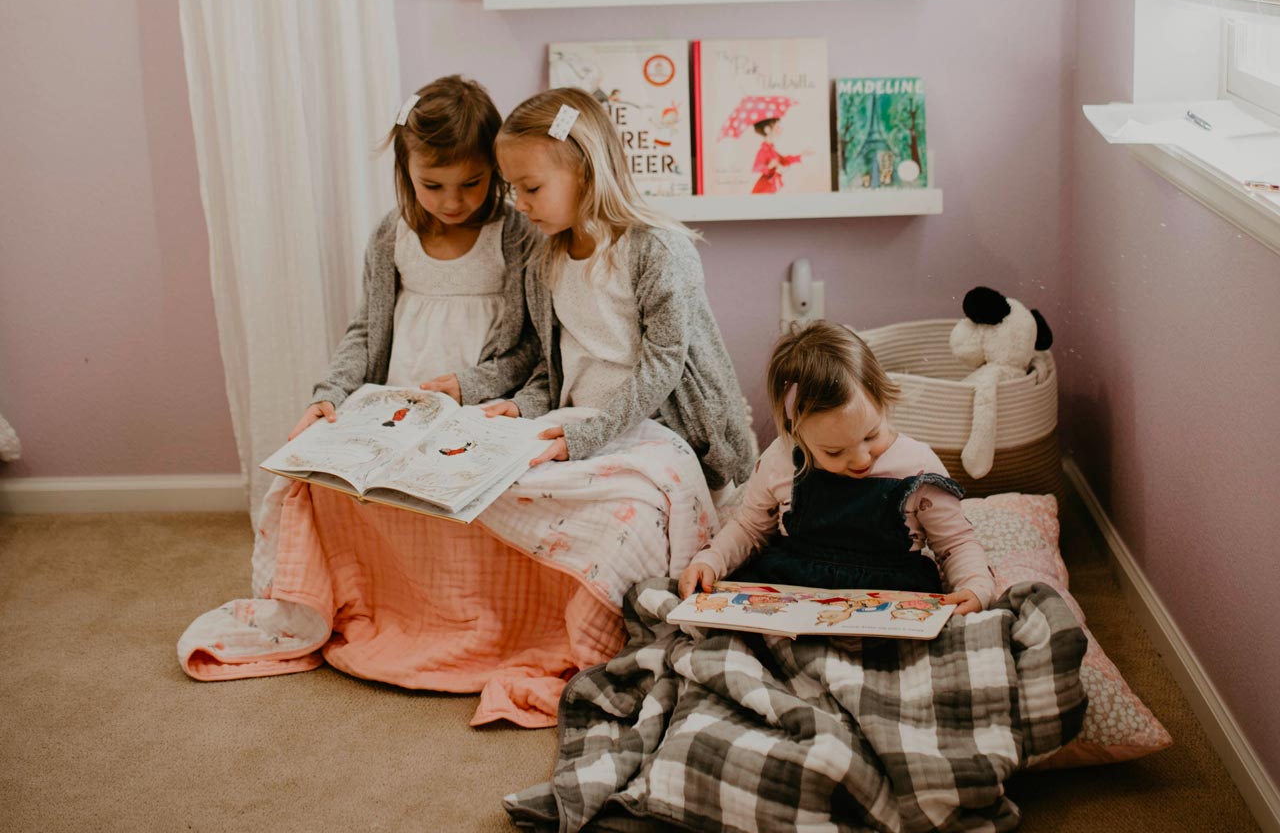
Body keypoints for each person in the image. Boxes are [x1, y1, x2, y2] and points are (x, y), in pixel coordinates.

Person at [459, 86, 753, 490]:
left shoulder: (657, 250)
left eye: (532, 188)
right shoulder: (545, 259)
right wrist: (520, 405)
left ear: (584, 171)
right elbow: (557, 364)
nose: (520, 205)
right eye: (513, 190)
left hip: (659, 426)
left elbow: (663, 365)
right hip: (577, 423)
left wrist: (589, 436)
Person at [678, 321, 995, 612]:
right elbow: (749, 528)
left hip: (890, 596)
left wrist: (975, 585)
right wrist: (712, 560)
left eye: (872, 435)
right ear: (796, 432)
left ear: (884, 401)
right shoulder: (780, 460)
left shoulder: (919, 467)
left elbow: (955, 543)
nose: (860, 459)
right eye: (834, 451)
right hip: (792, 588)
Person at [288, 74, 536, 440]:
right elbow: (366, 331)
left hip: (483, 411)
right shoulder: (391, 236)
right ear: (406, 171)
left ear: (496, 170)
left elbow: (534, 345)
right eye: (432, 186)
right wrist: (332, 391)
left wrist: (470, 384)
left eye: (471, 183)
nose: (452, 202)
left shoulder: (515, 236)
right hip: (397, 408)